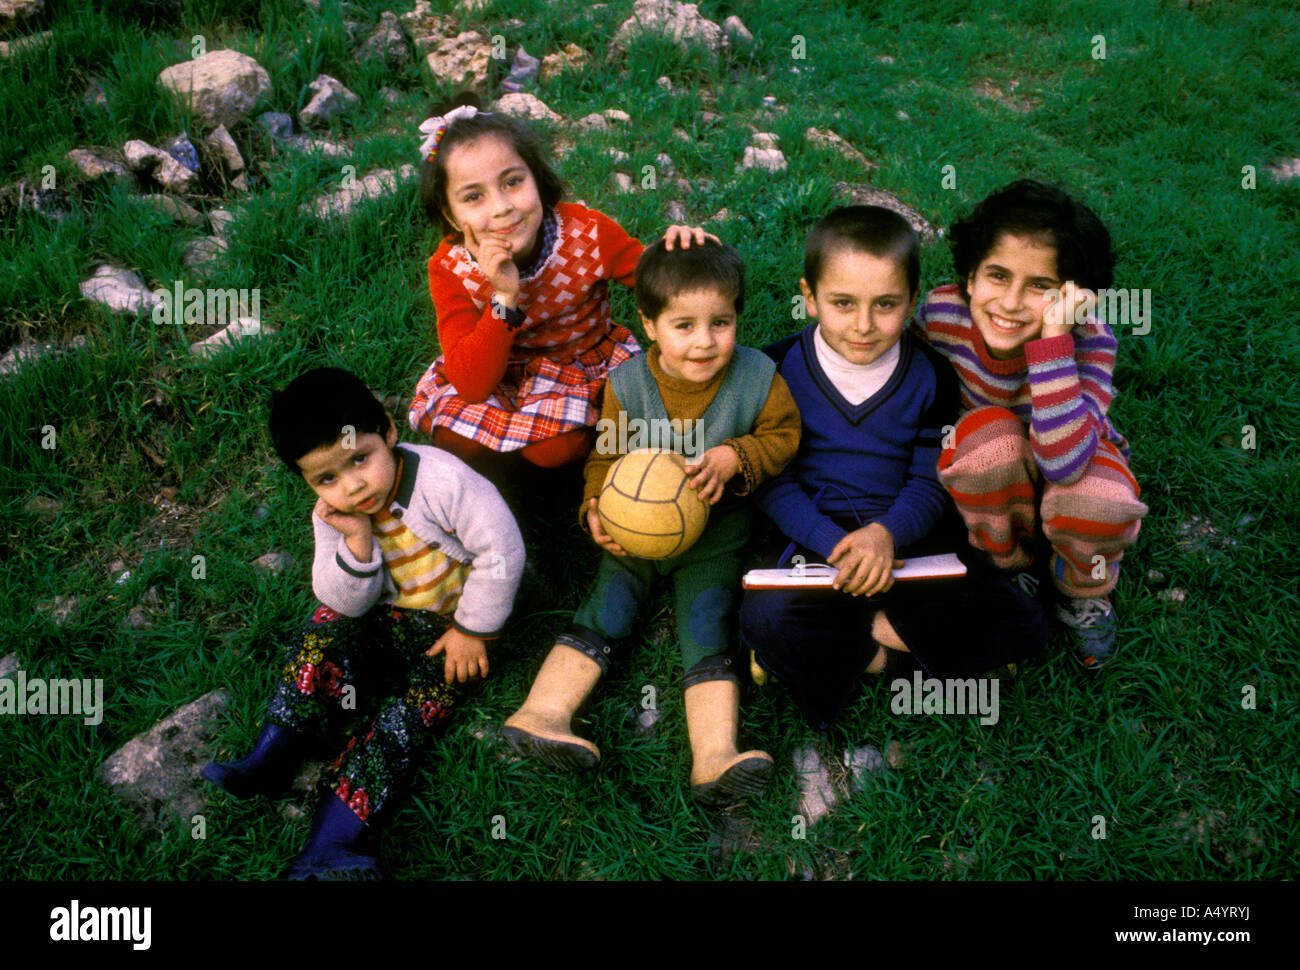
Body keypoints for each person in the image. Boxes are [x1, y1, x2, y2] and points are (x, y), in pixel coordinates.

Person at [502, 239, 801, 804]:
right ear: (648, 323)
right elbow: (604, 457)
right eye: (683, 325)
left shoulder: (758, 377)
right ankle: (543, 713)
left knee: (707, 624)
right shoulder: (628, 386)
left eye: (721, 322)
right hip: (634, 534)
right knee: (605, 607)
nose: (705, 341)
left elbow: (784, 438)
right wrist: (595, 506)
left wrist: (737, 456)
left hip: (714, 537)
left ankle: (714, 757)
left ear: (738, 317)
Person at [201, 367, 524, 879]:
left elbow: (501, 549)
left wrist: (473, 630)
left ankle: (331, 840)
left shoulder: (443, 480)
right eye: (327, 478)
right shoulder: (333, 515)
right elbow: (343, 601)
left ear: (389, 432)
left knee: (406, 718)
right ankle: (273, 750)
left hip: (451, 632)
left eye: (360, 460)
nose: (351, 486)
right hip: (381, 618)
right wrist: (356, 543)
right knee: (323, 626)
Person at [740, 206, 1047, 729]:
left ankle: (870, 643)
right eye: (842, 303)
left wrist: (885, 535)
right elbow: (772, 479)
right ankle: (898, 652)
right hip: (817, 546)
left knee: (1025, 623)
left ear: (911, 301)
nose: (863, 325)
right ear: (809, 295)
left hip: (907, 543)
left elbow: (929, 480)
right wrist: (833, 540)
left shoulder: (931, 374)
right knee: (764, 617)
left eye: (885, 305)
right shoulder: (774, 370)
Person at [409, 93, 713, 481]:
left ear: (536, 178)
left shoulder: (586, 232)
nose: (502, 207)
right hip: (499, 369)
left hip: (580, 362)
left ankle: (564, 461)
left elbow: (652, 276)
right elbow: (471, 384)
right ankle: (501, 477)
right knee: (455, 436)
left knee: (555, 449)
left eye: (513, 182)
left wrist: (680, 252)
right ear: (451, 214)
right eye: (474, 197)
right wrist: (504, 297)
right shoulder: (449, 268)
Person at [913, 179, 1147, 669]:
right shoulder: (941, 315)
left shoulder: (1091, 341)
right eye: (997, 276)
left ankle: (1080, 585)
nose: (1012, 302)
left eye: (1040, 285)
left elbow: (1065, 462)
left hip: (1073, 455)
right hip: (994, 473)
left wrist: (1055, 337)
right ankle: (1009, 565)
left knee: (1098, 500)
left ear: (1075, 295)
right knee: (986, 442)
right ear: (970, 276)